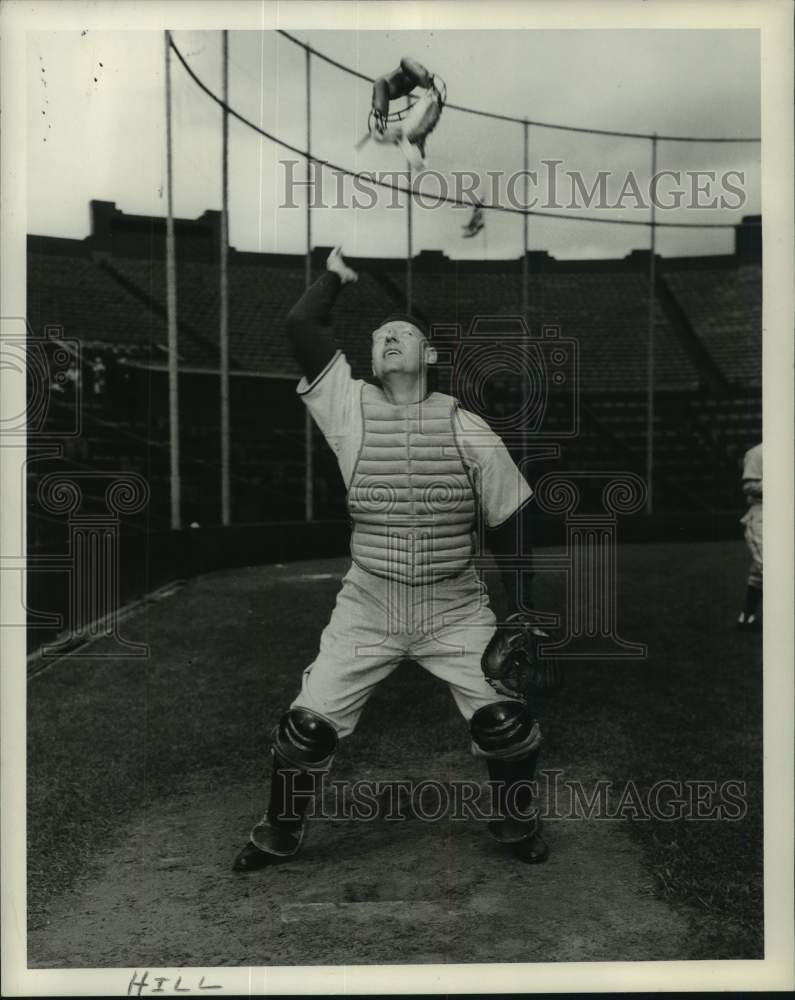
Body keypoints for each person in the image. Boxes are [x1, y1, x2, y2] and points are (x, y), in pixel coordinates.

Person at [233, 247, 559, 874]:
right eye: (379, 335)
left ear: (430, 357)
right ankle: (280, 828)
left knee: (506, 723)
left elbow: (511, 528)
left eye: (402, 334)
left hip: (454, 606)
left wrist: (523, 616)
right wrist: (336, 274)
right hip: (370, 604)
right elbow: (302, 326)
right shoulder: (348, 409)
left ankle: (516, 823)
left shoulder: (470, 431)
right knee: (306, 731)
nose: (387, 338)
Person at [367, 57, 444, 170]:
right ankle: (431, 91)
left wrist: (379, 114)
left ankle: (380, 121)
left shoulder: (383, 84)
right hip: (415, 84)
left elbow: (380, 85)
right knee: (416, 132)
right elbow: (422, 132)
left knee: (383, 84)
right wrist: (421, 155)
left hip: (403, 79)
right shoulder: (408, 136)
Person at [737, 441, 762, 631]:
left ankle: (746, 616)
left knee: (759, 571)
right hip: (763, 513)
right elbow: (749, 486)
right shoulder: (757, 453)